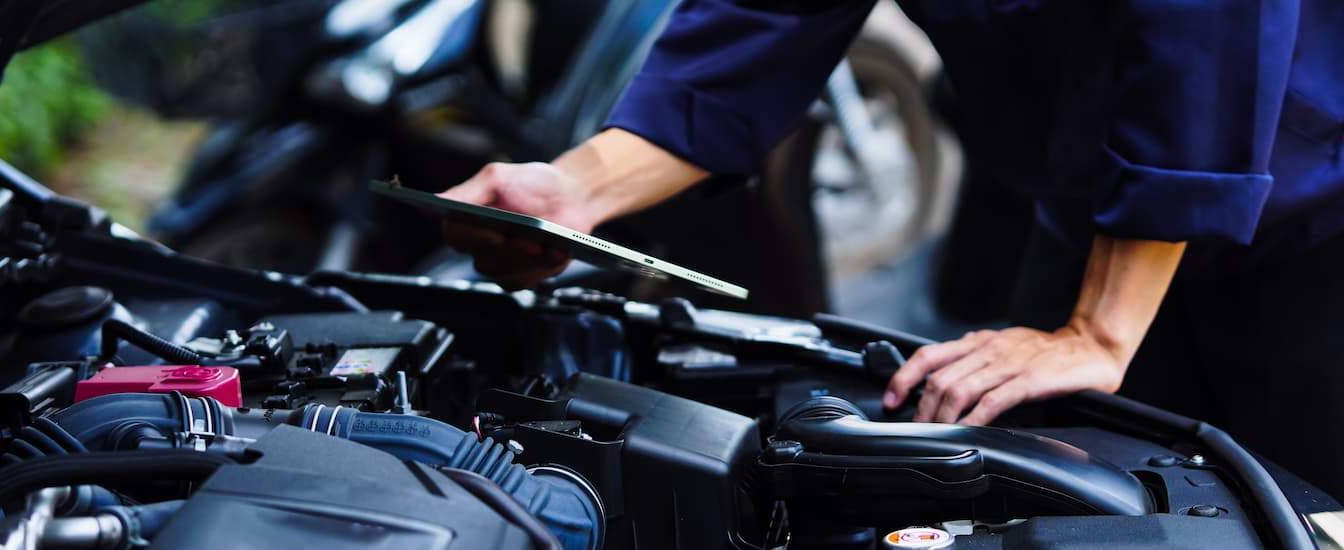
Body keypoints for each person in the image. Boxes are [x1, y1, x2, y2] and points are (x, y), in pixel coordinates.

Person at [441, 0, 1344, 498]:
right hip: (1090, 214)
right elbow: (756, 26)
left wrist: (1098, 332)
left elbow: (1209, 35)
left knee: (1302, 509)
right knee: (1071, 500)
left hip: (1311, 214)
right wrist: (575, 189)